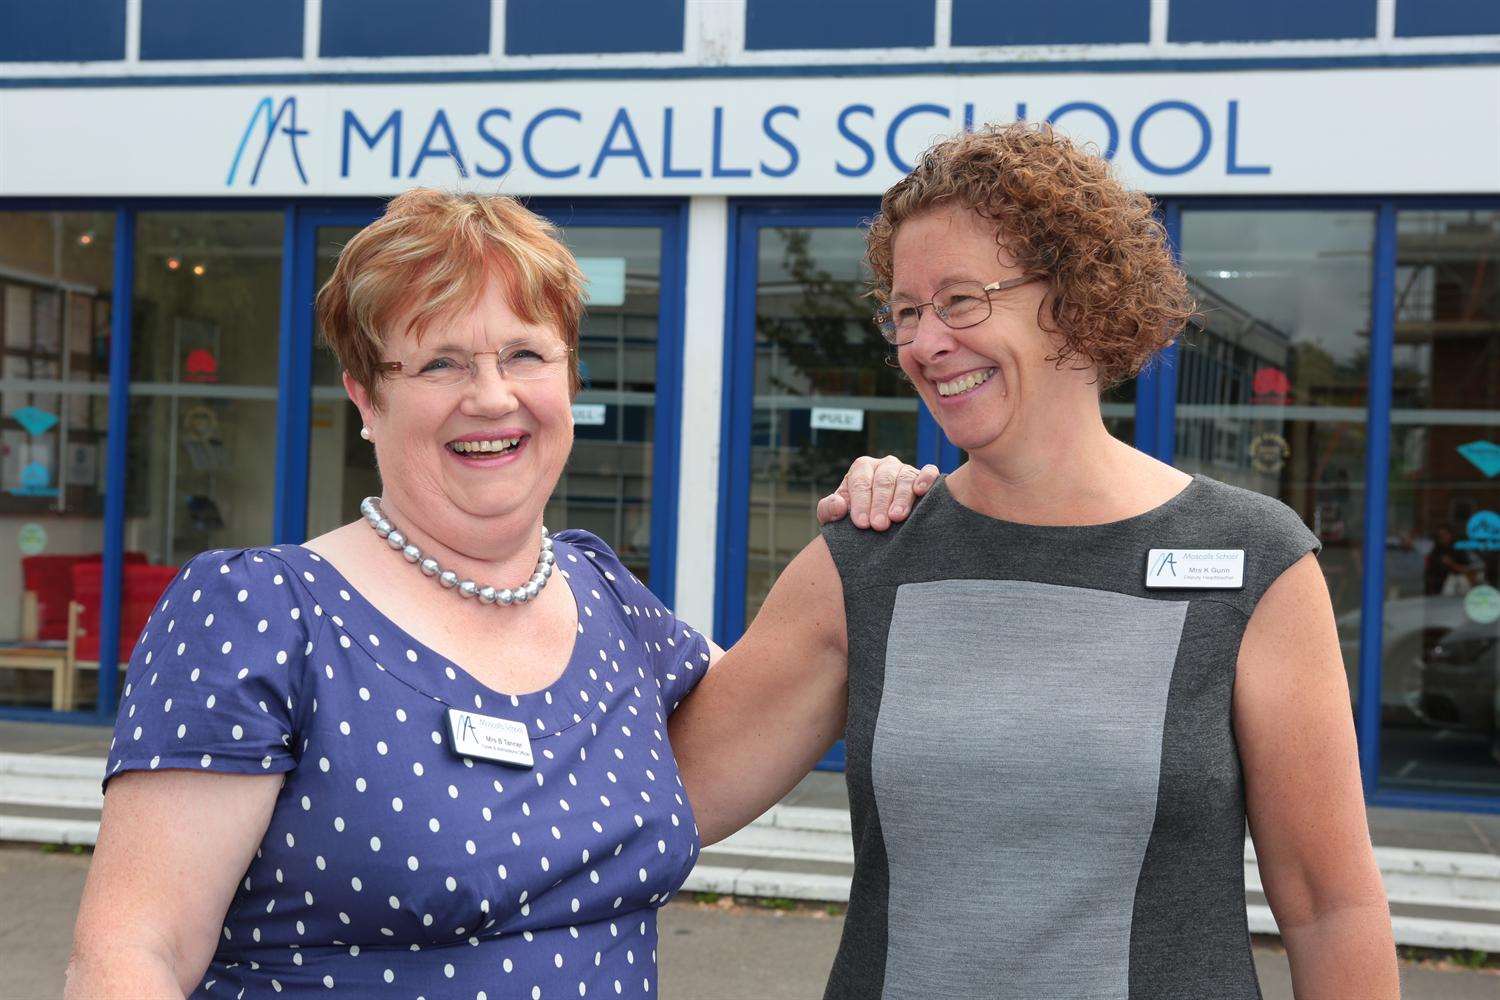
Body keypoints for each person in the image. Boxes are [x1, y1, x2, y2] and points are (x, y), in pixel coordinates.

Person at [64, 189, 932, 999]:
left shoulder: (607, 601)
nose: (491, 396)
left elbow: (793, 682)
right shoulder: (258, 614)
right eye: (440, 362)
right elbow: (132, 953)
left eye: (525, 354)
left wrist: (875, 523)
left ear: (567, 380)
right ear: (367, 397)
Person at [670, 123, 1398, 999]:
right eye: (906, 311)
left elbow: (1330, 906)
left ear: (1078, 297)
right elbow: (661, 801)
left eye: (962, 301)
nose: (924, 342)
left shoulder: (1252, 561)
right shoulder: (864, 561)